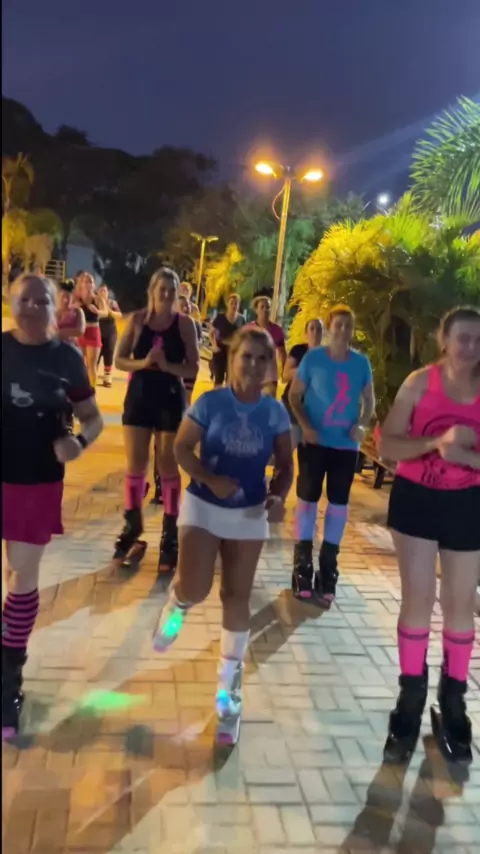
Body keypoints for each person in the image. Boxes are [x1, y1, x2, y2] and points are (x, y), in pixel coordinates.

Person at [152, 326, 293, 744]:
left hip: (249, 511)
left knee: (236, 596)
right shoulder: (210, 402)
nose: (254, 365)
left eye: (262, 359)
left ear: (270, 367)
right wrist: (209, 479)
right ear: (231, 360)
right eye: (246, 356)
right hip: (203, 505)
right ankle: (177, 603)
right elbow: (180, 449)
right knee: (195, 587)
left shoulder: (275, 413)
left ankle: (229, 693)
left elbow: (286, 465)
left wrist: (278, 495)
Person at [2, 274, 103, 739]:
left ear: (54, 306)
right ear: (11, 303)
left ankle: (8, 681)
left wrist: (78, 444)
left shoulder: (67, 358)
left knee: (21, 577)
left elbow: (93, 418)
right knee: (11, 574)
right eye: (23, 299)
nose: (32, 306)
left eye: (40, 299)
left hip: (36, 480)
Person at [378, 306, 480, 765]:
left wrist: (467, 458)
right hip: (417, 498)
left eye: (478, 340)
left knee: (460, 603)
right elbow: (387, 445)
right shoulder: (420, 383)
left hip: (467, 504)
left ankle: (453, 700)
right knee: (417, 600)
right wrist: (436, 444)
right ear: (444, 339)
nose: (470, 348)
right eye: (463, 338)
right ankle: (411, 699)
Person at [288, 305, 375, 604]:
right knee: (307, 499)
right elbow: (294, 396)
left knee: (338, 504)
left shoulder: (361, 363)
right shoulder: (313, 359)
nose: (343, 331)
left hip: (345, 446)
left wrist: (362, 424)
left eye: (348, 326)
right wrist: (305, 425)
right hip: (314, 442)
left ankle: (328, 566)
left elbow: (369, 401)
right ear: (329, 327)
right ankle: (302, 564)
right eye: (338, 325)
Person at [114, 267, 199, 572]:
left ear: (177, 294)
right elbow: (119, 359)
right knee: (136, 464)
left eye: (171, 290)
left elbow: (192, 367)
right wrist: (144, 362)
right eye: (161, 289)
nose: (166, 295)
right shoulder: (137, 320)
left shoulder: (185, 324)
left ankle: (170, 535)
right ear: (152, 291)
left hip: (170, 397)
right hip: (139, 395)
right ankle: (132, 524)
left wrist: (167, 366)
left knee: (167, 465)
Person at [150, 294, 202, 506]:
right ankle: (159, 486)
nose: (186, 308)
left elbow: (194, 362)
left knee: (172, 442)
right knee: (159, 443)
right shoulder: (158, 328)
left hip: (180, 388)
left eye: (188, 305)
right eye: (182, 305)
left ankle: (172, 487)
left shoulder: (192, 327)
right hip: (157, 389)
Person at [282, 318, 324, 449]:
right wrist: (306, 370)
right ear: (306, 333)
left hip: (313, 410)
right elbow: (285, 374)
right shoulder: (298, 350)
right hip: (292, 404)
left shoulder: (327, 356)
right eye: (312, 329)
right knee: (290, 444)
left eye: (319, 329)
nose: (315, 332)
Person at [248, 296, 286, 397]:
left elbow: (282, 353)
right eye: (262, 307)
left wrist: (283, 372)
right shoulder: (249, 329)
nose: (265, 310)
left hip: (270, 377)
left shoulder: (277, 330)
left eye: (268, 307)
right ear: (256, 310)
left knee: (267, 405)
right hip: (252, 375)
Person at [75, 272, 107, 387]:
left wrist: (97, 312)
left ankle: (92, 390)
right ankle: (80, 389)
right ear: (81, 283)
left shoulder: (97, 299)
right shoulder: (77, 298)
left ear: (94, 284)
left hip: (93, 333)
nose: (88, 284)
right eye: (86, 281)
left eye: (90, 282)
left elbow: (106, 312)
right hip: (80, 333)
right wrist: (75, 307)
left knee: (91, 366)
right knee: (79, 364)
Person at [210, 294, 245, 388]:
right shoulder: (220, 317)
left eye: (236, 303)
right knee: (219, 379)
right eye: (231, 303)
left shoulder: (241, 319)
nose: (233, 305)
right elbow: (211, 333)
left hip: (234, 352)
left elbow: (243, 336)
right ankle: (217, 396)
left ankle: (227, 396)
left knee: (231, 379)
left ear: (239, 305)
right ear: (227, 304)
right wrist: (214, 345)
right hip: (220, 351)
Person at [97, 284, 122, 388]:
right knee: (96, 355)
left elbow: (119, 315)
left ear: (107, 293)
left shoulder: (112, 303)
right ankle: (91, 374)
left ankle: (107, 377)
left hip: (110, 332)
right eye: (101, 291)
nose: (103, 293)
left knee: (109, 353)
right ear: (98, 292)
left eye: (105, 291)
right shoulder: (94, 302)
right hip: (97, 332)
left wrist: (110, 311)